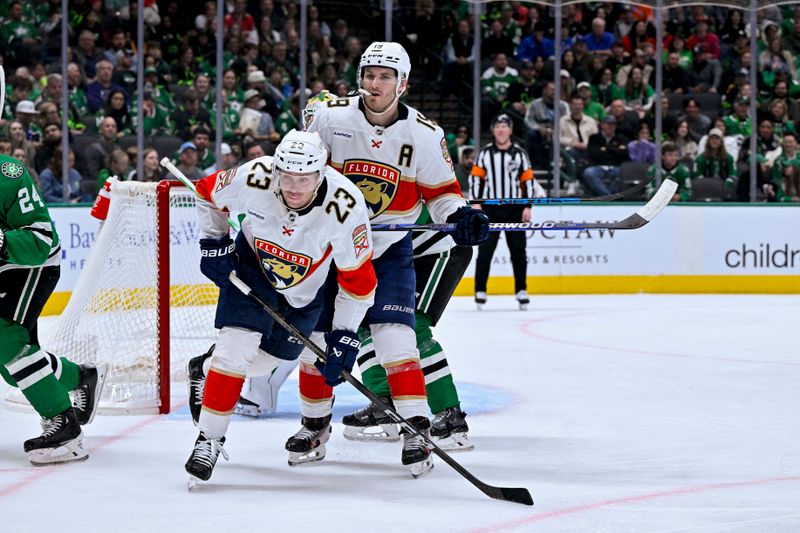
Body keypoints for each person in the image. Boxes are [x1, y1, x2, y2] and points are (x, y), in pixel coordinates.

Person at [184, 130, 377, 483]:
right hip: (252, 268)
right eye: (286, 176)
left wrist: (346, 333)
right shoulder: (255, 175)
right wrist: (213, 242)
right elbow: (206, 192)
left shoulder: (346, 205)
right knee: (234, 353)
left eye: (303, 178)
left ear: (321, 173)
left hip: (305, 292)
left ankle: (205, 369)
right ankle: (208, 439)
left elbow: (359, 281)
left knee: (263, 364)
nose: (293, 187)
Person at [0, 150, 107, 465]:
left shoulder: (8, 173)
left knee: (6, 340)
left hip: (30, 263)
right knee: (11, 368)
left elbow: (40, 238)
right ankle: (81, 377)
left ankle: (66, 429)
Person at [471, 114, 544, 311]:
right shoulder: (484, 154)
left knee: (519, 251)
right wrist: (476, 204)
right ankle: (480, 290)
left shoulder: (520, 154)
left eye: (504, 126)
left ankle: (521, 290)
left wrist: (528, 206)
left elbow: (528, 180)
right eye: (497, 126)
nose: (501, 130)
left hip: (515, 209)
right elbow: (476, 179)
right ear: (493, 131)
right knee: (485, 251)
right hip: (490, 209)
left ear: (510, 130)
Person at [583, 115, 630, 196]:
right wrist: (615, 149)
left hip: (615, 167)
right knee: (589, 172)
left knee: (625, 173)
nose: (611, 126)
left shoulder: (621, 138)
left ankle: (605, 196)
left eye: (613, 124)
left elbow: (623, 154)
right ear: (602, 125)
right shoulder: (594, 138)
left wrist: (606, 148)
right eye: (608, 124)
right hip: (598, 167)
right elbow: (593, 154)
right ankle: (608, 196)